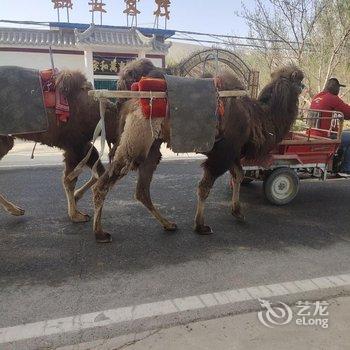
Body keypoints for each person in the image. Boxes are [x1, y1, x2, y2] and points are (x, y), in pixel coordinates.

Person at [310, 78, 350, 173]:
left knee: (346, 133)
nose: (339, 90)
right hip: (325, 137)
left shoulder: (317, 97)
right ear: (334, 87)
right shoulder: (331, 98)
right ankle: (346, 169)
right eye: (338, 88)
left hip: (313, 133)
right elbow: (348, 113)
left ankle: (337, 162)